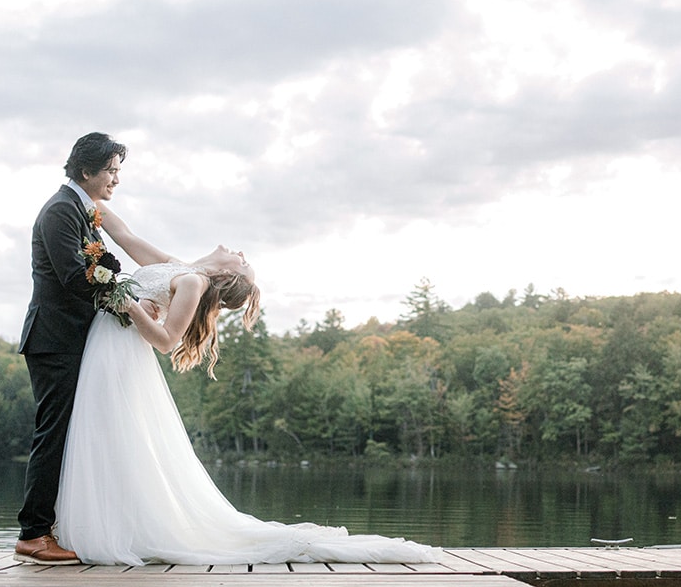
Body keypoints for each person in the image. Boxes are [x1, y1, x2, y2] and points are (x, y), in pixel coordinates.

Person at [52, 204, 442, 565]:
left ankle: (111, 530)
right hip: (104, 346)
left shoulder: (193, 283)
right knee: (104, 435)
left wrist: (125, 302)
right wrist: (86, 199)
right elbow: (124, 235)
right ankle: (100, 522)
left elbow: (167, 341)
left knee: (109, 434)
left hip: (119, 356)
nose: (238, 250)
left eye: (243, 260)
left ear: (228, 275)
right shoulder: (178, 266)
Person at [15, 132, 129, 565]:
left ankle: (54, 524)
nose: (116, 180)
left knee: (71, 433)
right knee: (53, 432)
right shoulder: (61, 210)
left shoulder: (82, 212)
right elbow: (75, 278)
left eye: (118, 171)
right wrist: (128, 303)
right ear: (87, 171)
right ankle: (33, 534)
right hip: (53, 340)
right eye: (111, 171)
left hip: (71, 339)